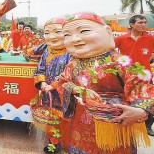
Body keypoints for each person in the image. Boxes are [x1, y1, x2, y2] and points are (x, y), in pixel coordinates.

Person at [58, 12, 154, 153]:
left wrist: (141, 110)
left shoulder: (118, 61)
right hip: (81, 123)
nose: (75, 39)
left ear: (107, 32)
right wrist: (77, 90)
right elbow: (63, 81)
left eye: (84, 31)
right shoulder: (73, 62)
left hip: (114, 121)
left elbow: (142, 87)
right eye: (67, 35)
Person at [32, 18, 71, 153]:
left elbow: (70, 73)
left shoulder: (72, 52)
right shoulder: (47, 51)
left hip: (65, 94)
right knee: (51, 118)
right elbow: (40, 68)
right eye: (47, 33)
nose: (52, 37)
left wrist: (54, 85)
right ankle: (54, 143)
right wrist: (42, 82)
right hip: (48, 93)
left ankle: (66, 145)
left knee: (65, 120)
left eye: (57, 32)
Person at [115, 15, 154, 136]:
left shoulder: (150, 38)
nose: (143, 25)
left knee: (148, 100)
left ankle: (148, 126)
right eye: (140, 22)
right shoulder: (121, 38)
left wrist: (150, 59)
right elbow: (109, 50)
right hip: (125, 76)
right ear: (131, 25)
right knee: (126, 100)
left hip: (145, 76)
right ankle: (126, 122)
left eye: (144, 22)